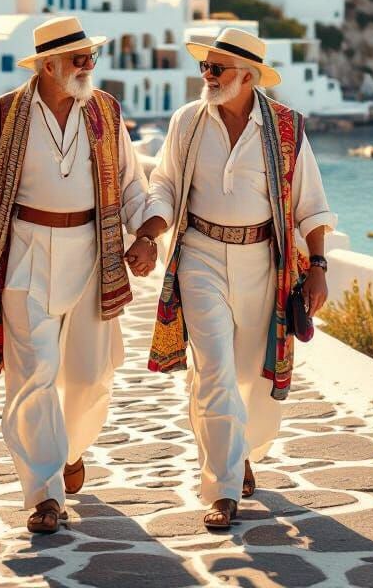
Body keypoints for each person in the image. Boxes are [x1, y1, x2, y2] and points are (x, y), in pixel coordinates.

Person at [0, 16, 154, 534]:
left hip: (92, 253)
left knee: (90, 376)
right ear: (48, 64)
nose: (88, 65)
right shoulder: (6, 113)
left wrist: (146, 233)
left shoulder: (105, 111)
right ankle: (44, 495)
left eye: (91, 56)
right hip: (24, 253)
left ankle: (71, 450)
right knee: (32, 377)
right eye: (78, 58)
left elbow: (131, 183)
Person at [132, 27, 333, 530]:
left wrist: (320, 267)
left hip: (264, 262)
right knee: (216, 371)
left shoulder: (286, 129)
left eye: (216, 68)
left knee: (254, 380)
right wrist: (148, 233)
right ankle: (222, 488)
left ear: (247, 74)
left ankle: (241, 449)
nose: (207, 75)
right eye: (204, 66)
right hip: (199, 254)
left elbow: (310, 203)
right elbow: (165, 186)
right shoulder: (187, 122)